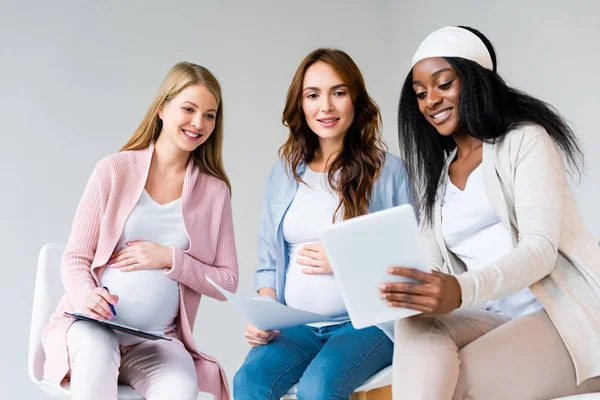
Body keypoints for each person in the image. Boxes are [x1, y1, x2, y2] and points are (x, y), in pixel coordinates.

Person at [380, 25, 600, 399]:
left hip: (561, 320)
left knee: (451, 388)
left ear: (475, 82)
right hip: (494, 320)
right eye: (420, 93)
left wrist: (459, 290)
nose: (430, 101)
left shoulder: (526, 141)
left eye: (443, 84)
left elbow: (539, 250)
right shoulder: (440, 180)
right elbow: (431, 267)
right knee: (416, 326)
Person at [41, 61, 239, 400]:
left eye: (209, 114)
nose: (198, 123)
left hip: (157, 340)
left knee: (182, 390)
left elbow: (227, 282)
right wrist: (87, 297)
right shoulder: (114, 169)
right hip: (94, 327)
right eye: (188, 109)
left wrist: (169, 258)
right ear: (163, 108)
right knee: (96, 356)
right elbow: (75, 258)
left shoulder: (214, 191)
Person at [233, 48, 413, 399]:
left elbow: (413, 258)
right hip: (297, 326)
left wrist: (347, 260)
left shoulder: (388, 171)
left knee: (318, 387)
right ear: (300, 106)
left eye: (338, 93)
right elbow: (269, 264)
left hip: (367, 324)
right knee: (249, 381)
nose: (325, 107)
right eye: (313, 95)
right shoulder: (284, 175)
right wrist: (265, 315)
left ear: (355, 101)